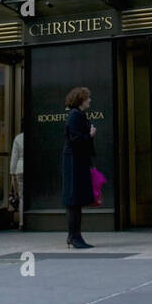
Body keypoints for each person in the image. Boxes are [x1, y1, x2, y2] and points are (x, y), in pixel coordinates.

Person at [62, 87, 96, 249]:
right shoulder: (75, 115)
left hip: (77, 160)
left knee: (75, 200)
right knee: (74, 200)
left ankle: (75, 236)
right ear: (81, 100)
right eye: (88, 98)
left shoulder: (77, 114)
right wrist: (89, 135)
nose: (90, 100)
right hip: (74, 161)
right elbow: (75, 140)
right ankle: (74, 237)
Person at [10, 121, 25, 229]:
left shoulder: (18, 138)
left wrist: (12, 173)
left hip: (20, 168)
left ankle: (21, 222)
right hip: (32, 168)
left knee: (22, 196)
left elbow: (14, 156)